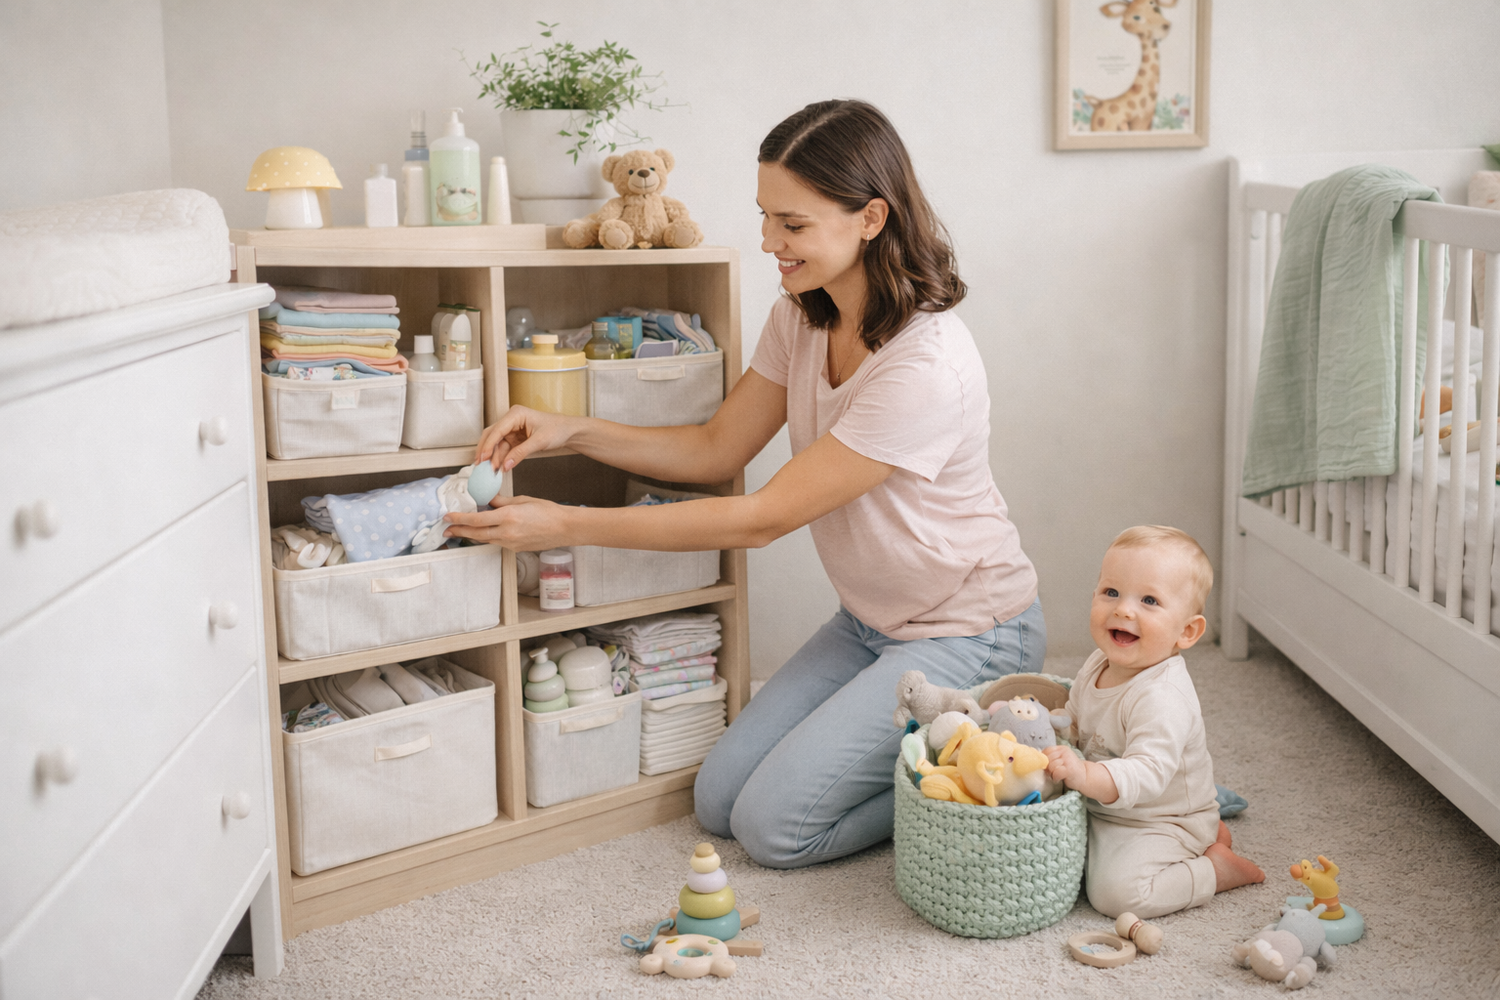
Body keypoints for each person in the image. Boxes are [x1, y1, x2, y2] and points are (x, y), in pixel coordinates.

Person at [443, 99, 1043, 869]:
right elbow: (714, 448)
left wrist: (565, 523)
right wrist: (571, 429)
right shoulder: (801, 318)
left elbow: (760, 518)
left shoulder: (924, 366)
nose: (768, 242)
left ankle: (993, 762)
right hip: (868, 624)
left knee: (774, 828)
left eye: (791, 224)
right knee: (719, 799)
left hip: (967, 632)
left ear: (871, 218)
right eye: (765, 217)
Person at [1043, 526, 1265, 919]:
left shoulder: (1162, 696)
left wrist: (1083, 773)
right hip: (1103, 805)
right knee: (1045, 852)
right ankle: (1212, 834)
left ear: (1187, 631)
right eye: (1111, 592)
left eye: (1149, 600)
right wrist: (1047, 729)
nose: (1123, 610)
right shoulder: (1098, 662)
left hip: (1158, 820)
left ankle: (1213, 868)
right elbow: (1076, 717)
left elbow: (1147, 773)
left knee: (1115, 894)